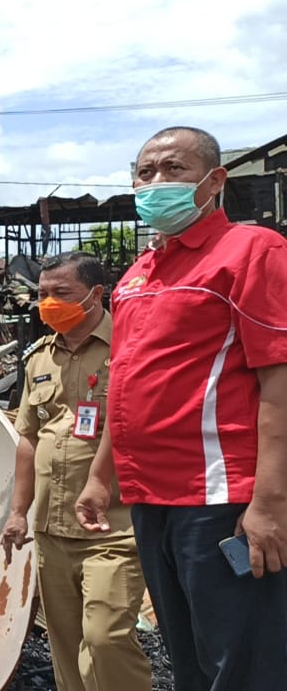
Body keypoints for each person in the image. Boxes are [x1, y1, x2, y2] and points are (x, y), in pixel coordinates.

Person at [76, 126, 287, 691]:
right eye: (145, 172)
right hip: (151, 499)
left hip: (220, 498)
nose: (156, 183)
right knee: (189, 657)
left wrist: (269, 502)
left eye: (174, 170)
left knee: (241, 666)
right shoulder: (138, 274)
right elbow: (125, 384)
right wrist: (101, 477)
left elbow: (279, 380)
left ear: (215, 182)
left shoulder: (251, 251)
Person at [1, 251, 150, 691]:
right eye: (42, 294)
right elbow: (27, 438)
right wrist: (17, 511)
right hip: (51, 529)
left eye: (61, 293)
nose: (47, 303)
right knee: (65, 648)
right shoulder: (37, 359)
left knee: (105, 638)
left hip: (114, 527)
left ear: (96, 294)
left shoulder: (130, 347)